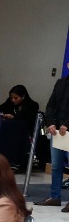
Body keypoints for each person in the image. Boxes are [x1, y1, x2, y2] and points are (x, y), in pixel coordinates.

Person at [39, 74, 69, 209]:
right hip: (57, 131)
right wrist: (50, 122)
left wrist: (67, 124)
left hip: (66, 129)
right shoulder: (61, 82)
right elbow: (51, 105)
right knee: (56, 165)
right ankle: (55, 196)